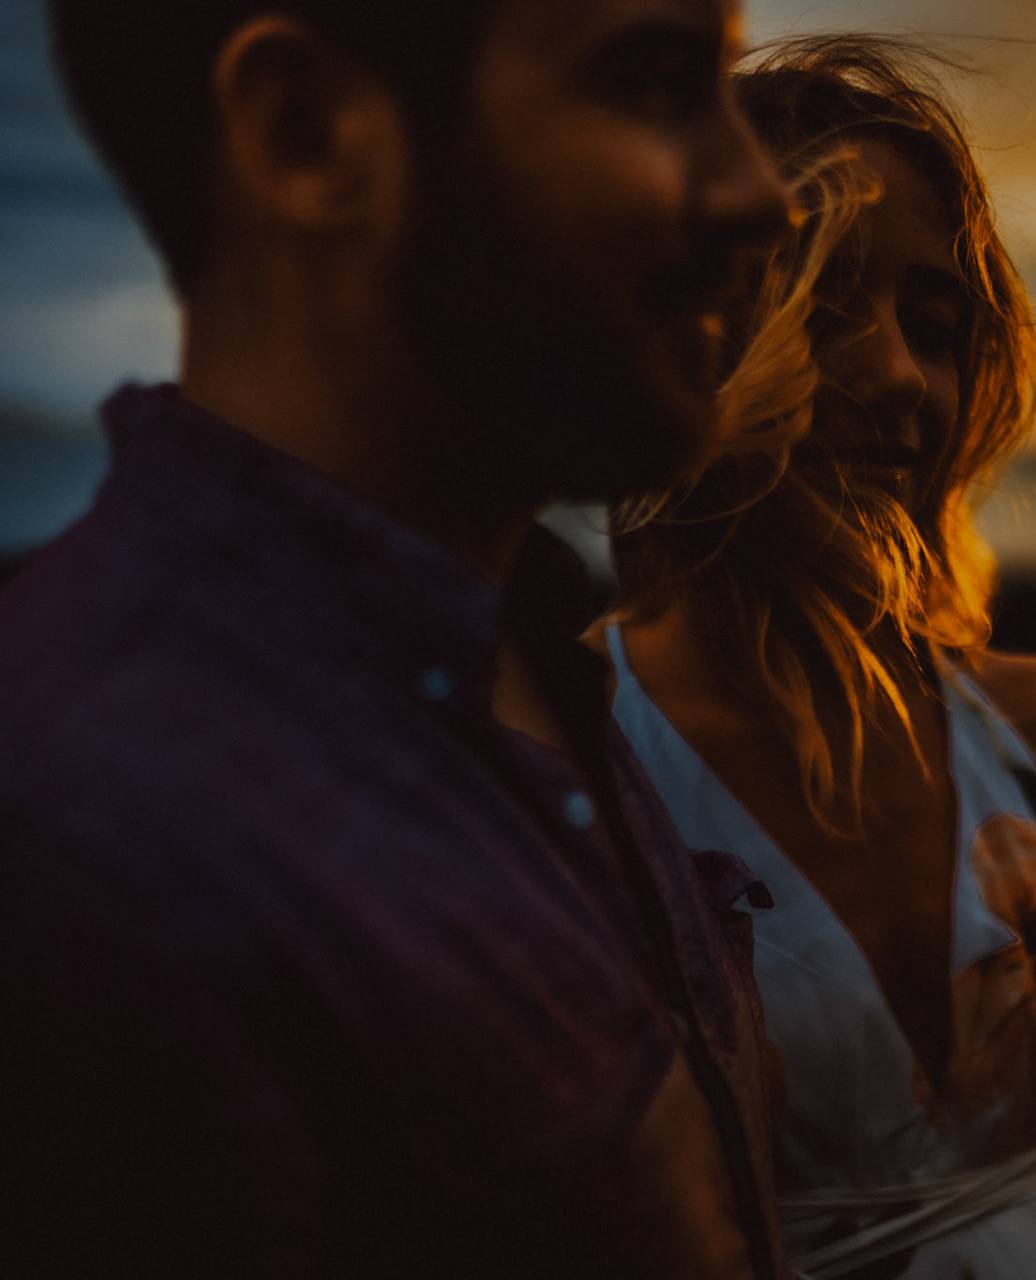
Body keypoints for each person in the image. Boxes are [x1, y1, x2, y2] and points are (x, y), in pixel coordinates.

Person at [0, 0, 793, 1274]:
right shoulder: (99, 847)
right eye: (652, 83)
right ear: (308, 138)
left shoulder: (525, 646)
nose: (764, 193)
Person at [597, 37, 1036, 1279]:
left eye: (933, 324)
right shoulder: (576, 757)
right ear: (695, 326)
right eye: (824, 309)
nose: (898, 373)